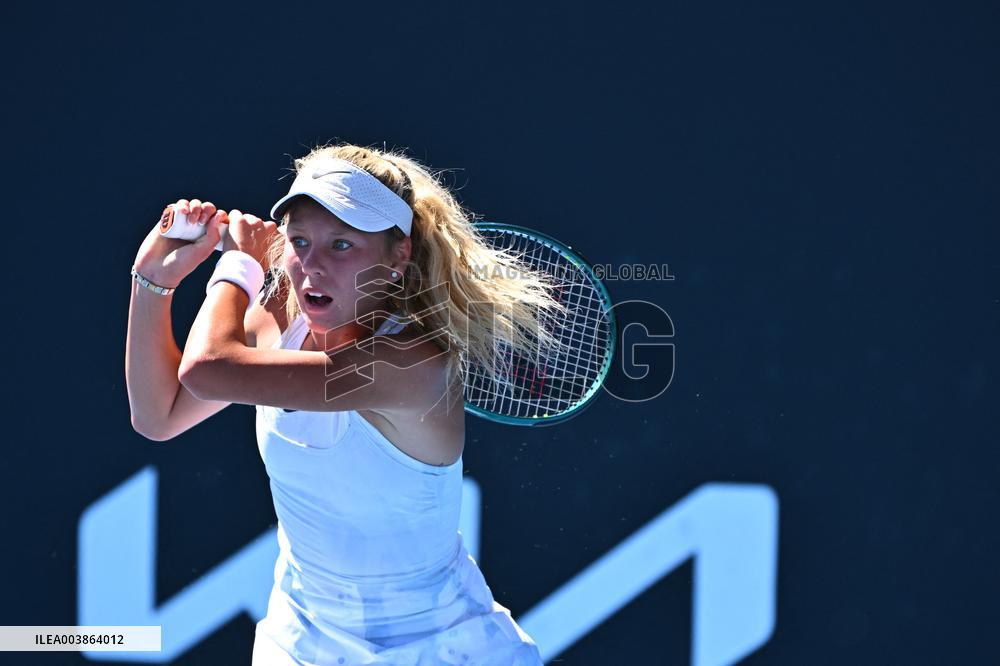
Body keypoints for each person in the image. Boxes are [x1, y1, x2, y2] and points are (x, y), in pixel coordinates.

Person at [125, 143, 563, 665]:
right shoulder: (279, 319)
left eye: (341, 245)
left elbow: (206, 369)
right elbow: (159, 415)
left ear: (397, 255)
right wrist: (153, 280)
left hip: (443, 653)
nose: (312, 265)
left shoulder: (409, 367)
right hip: (302, 643)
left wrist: (239, 266)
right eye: (299, 241)